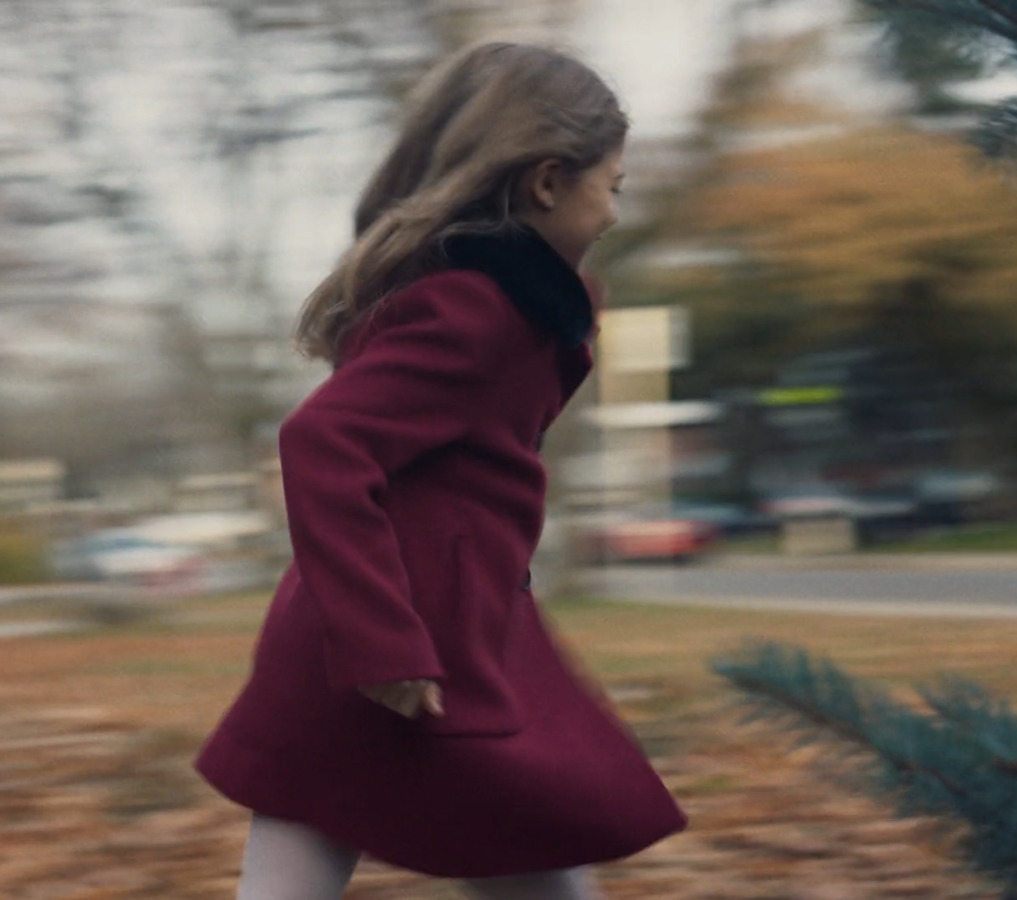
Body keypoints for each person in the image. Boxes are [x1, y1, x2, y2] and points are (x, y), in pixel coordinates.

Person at [194, 41, 688, 899]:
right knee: (522, 829)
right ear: (545, 182)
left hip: (429, 638)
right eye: (612, 187)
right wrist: (382, 643)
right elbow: (324, 443)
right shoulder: (476, 309)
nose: (613, 214)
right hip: (393, 644)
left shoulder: (503, 301)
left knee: (526, 834)